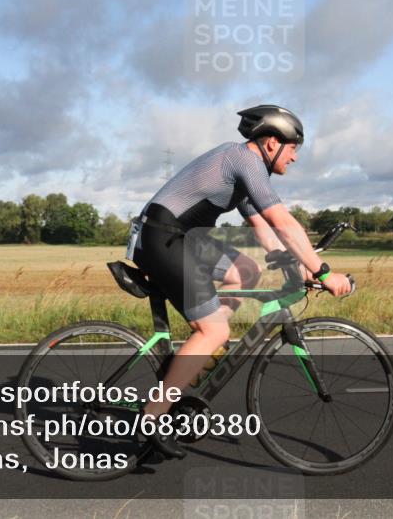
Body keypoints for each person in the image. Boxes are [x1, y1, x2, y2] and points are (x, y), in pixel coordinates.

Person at [129, 104, 353, 458]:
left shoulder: (248, 170)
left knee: (245, 271)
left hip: (180, 236)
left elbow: (265, 230)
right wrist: (324, 271)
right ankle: (154, 416)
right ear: (270, 142)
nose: (294, 157)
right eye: (293, 147)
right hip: (162, 237)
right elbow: (282, 221)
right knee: (214, 330)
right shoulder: (244, 159)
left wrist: (299, 267)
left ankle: (197, 353)